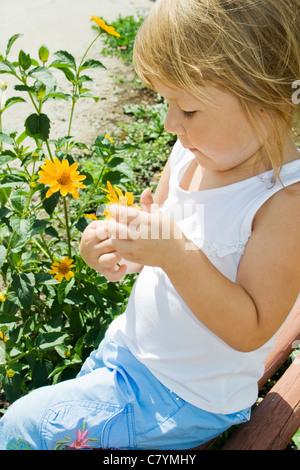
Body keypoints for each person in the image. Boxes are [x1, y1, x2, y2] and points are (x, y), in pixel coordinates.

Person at [1, 0, 300, 450]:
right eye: (165, 102)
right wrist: (114, 246)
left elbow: (252, 328)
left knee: (24, 426)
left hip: (184, 396)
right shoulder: (191, 152)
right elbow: (152, 236)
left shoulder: (283, 201)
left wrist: (174, 254)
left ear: (264, 99)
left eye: (188, 109)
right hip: (127, 351)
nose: (168, 123)